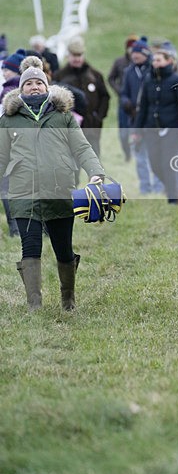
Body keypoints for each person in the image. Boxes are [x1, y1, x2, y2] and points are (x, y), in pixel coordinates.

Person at [0, 56, 105, 311]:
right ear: (21, 88)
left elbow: (82, 148)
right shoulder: (9, 119)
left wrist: (96, 173)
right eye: (29, 84)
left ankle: (68, 300)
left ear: (47, 87)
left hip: (59, 190)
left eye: (39, 83)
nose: (34, 87)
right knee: (30, 248)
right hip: (23, 192)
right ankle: (34, 304)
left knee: (63, 249)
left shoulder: (63, 116)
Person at [133, 47, 178, 204]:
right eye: (154, 60)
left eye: (159, 60)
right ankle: (173, 188)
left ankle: (173, 200)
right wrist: (137, 130)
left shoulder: (177, 81)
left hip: (172, 130)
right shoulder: (148, 80)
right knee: (154, 164)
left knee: (167, 163)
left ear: (169, 61)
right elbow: (143, 107)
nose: (155, 63)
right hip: (151, 129)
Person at [120, 37, 163, 195]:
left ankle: (159, 187)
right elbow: (123, 92)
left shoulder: (154, 69)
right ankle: (145, 188)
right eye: (133, 53)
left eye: (137, 53)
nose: (134, 56)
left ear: (145, 53)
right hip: (134, 120)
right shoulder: (129, 71)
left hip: (152, 120)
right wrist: (126, 102)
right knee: (139, 156)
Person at [55, 36, 110, 157]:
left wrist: (98, 117)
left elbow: (105, 97)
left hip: (91, 128)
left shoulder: (95, 75)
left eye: (79, 55)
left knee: (94, 163)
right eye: (74, 55)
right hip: (69, 130)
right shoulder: (59, 76)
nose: (77, 59)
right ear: (68, 55)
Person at [0, 49, 26, 237]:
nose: (3, 71)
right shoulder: (31, 89)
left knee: (7, 187)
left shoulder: (9, 91)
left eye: (6, 68)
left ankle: (15, 228)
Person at [107, 33, 138, 161]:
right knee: (123, 132)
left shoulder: (141, 63)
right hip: (124, 103)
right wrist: (120, 91)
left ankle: (137, 152)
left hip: (138, 102)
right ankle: (127, 154)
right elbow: (111, 78)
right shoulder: (120, 62)